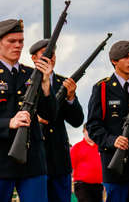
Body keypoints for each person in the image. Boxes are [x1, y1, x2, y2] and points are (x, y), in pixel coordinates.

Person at [0, 19, 57, 202]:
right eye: (12, 41)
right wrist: (9, 123)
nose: (18, 45)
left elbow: (50, 115)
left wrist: (46, 84)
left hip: (32, 161)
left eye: (20, 41)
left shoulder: (31, 74)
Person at [86, 40, 129, 202]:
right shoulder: (102, 88)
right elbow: (93, 127)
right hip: (114, 166)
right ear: (114, 61)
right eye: (126, 57)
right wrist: (112, 140)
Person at [29, 39, 84, 202]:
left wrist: (71, 97)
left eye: (52, 53)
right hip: (36, 158)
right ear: (34, 58)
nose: (50, 57)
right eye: (45, 54)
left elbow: (77, 120)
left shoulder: (63, 83)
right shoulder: (27, 81)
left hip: (59, 159)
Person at [70, 124, 103, 202]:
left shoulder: (100, 147)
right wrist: (70, 185)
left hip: (98, 185)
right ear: (84, 131)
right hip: (82, 185)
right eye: (88, 130)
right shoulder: (76, 147)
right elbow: (70, 167)